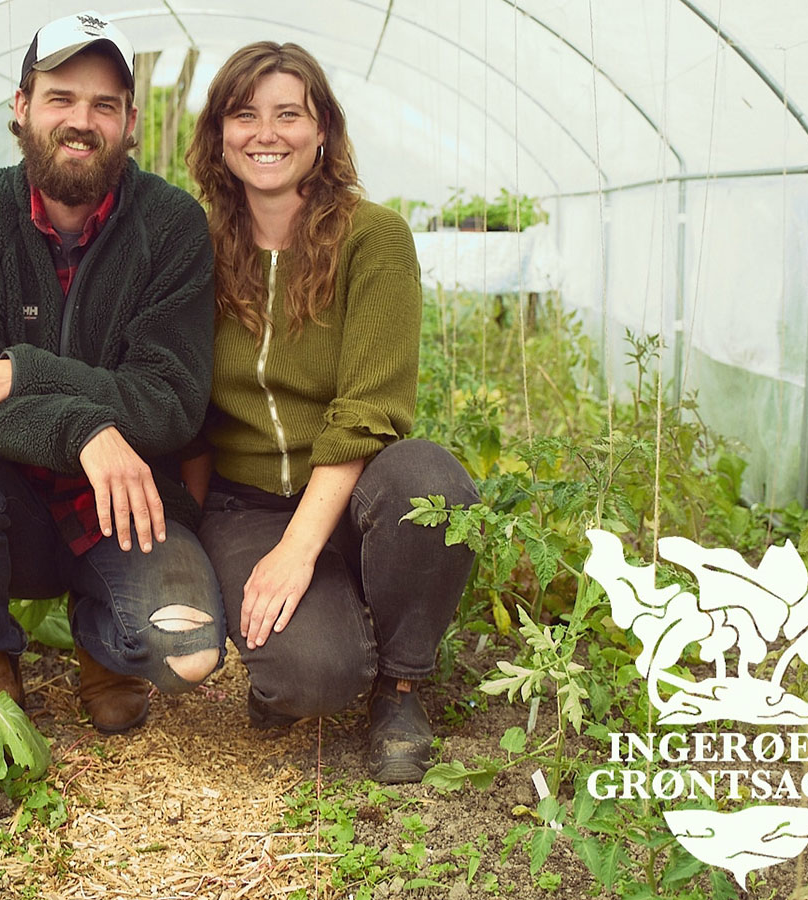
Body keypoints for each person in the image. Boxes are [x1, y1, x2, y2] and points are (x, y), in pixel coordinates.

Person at [0, 10, 225, 734]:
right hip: (10, 502)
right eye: (61, 98)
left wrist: (19, 375)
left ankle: (100, 637)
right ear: (21, 108)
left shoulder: (170, 227)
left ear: (130, 121)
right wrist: (83, 427)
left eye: (104, 105)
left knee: (187, 656)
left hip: (131, 506)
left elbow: (170, 404)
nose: (82, 121)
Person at [182, 41, 479, 782]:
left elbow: (370, 409)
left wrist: (298, 552)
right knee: (313, 676)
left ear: (323, 133)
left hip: (354, 493)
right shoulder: (195, 244)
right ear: (220, 134)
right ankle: (323, 646)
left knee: (432, 485)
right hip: (247, 504)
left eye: (290, 114)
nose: (267, 133)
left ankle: (402, 685)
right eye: (244, 114)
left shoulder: (373, 238)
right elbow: (175, 394)